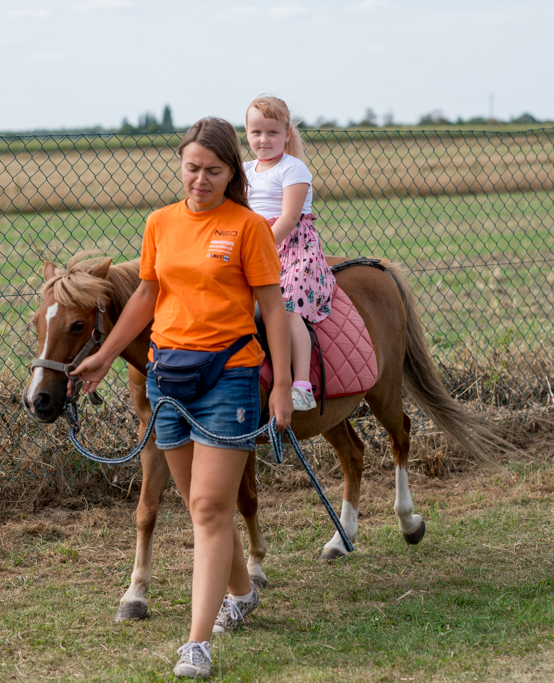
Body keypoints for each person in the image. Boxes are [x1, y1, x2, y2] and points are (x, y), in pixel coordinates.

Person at [69, 117, 293, 679]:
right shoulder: (159, 224)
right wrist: (102, 355)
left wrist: (284, 385)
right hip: (167, 377)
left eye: (213, 170)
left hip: (230, 377)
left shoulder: (248, 228)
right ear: (181, 166)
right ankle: (241, 594)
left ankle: (197, 643)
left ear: (231, 172)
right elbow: (147, 294)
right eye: (192, 167)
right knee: (201, 507)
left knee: (211, 509)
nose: (200, 179)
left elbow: (273, 311)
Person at [244, 95, 336, 412]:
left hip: (293, 248)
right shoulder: (244, 171)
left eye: (272, 132)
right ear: (246, 133)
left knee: (286, 305)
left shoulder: (293, 169)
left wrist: (257, 246)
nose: (263, 140)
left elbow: (289, 218)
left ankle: (301, 385)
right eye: (256, 132)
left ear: (286, 134)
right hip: (253, 244)